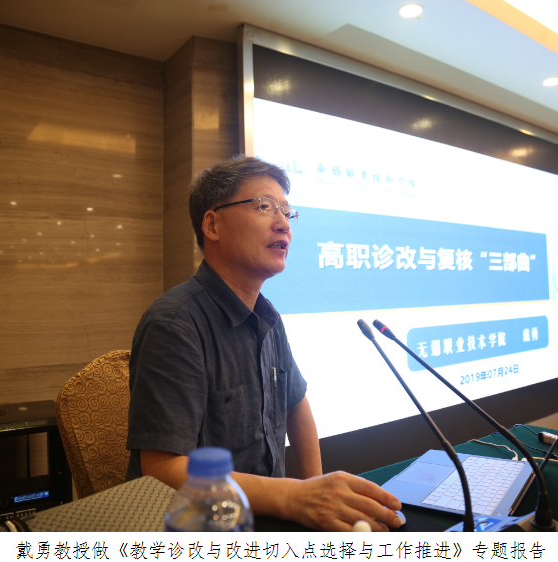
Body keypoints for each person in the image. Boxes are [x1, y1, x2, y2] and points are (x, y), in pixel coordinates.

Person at [126, 155, 402, 531]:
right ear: (213, 225)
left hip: (266, 522)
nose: (283, 224)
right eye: (264, 206)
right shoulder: (175, 324)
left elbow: (296, 404)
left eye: (287, 213)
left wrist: (317, 493)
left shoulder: (268, 317)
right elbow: (161, 470)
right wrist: (293, 496)